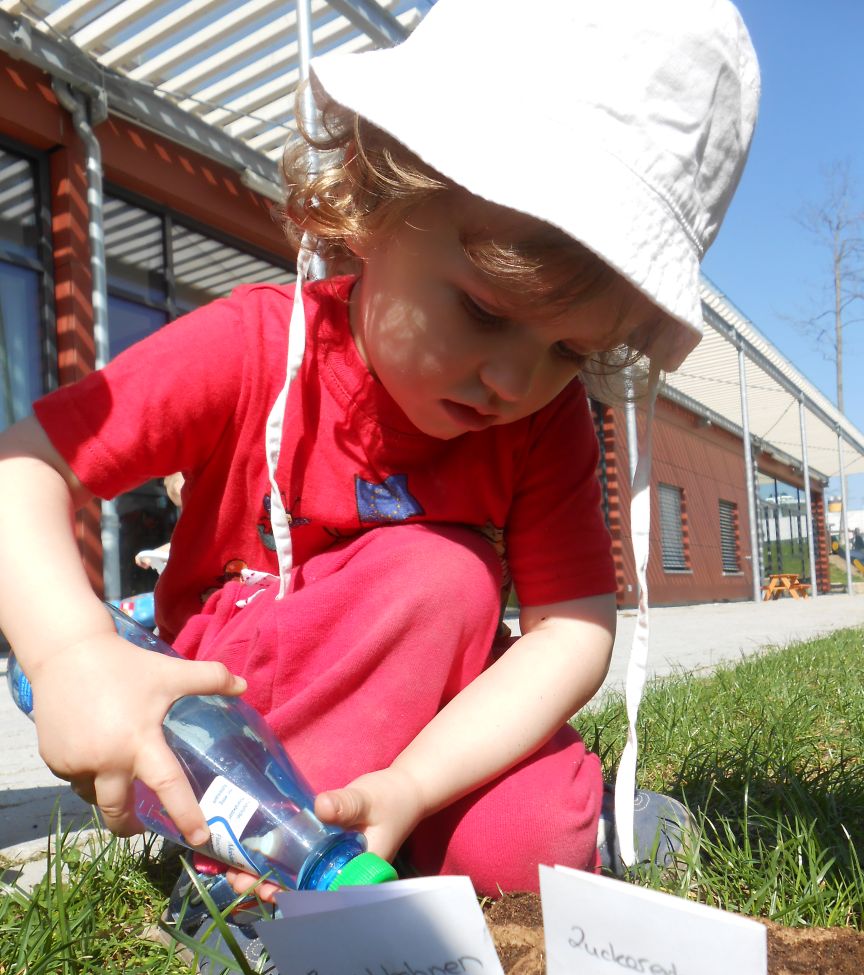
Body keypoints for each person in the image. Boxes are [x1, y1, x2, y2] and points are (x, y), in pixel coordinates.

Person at [0, 0, 759, 919]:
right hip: (239, 727)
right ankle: (251, 875)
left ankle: (539, 828)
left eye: (570, 351)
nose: (513, 379)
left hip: (425, 730)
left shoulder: (543, 421)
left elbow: (572, 631)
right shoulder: (248, 346)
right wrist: (71, 647)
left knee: (534, 845)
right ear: (369, 199)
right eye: (483, 309)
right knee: (438, 572)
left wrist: (410, 783)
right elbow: (23, 467)